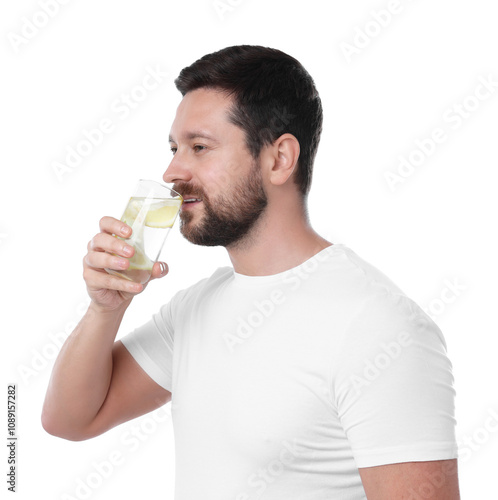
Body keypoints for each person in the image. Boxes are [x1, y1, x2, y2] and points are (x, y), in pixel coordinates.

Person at [42, 45, 460, 499]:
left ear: (279, 159)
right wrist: (105, 309)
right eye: (174, 148)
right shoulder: (196, 308)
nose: (172, 170)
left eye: (199, 147)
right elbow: (69, 420)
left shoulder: (379, 326)